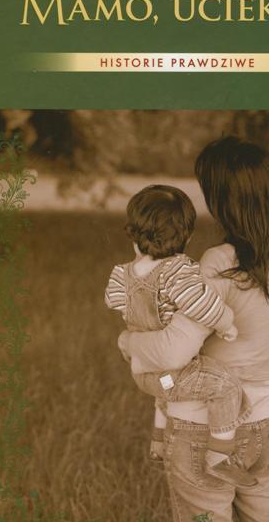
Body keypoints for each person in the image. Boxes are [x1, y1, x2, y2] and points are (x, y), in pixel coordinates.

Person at [118, 137, 269, 522]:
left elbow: (174, 350)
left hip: (201, 430)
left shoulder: (219, 263)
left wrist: (129, 343)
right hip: (265, 425)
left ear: (225, 200)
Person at [104, 184, 254, 486]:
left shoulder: (121, 274)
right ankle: (220, 455)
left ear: (133, 235)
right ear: (187, 237)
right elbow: (203, 305)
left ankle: (158, 441)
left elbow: (114, 301)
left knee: (166, 390)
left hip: (147, 376)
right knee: (226, 387)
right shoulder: (178, 271)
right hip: (173, 375)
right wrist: (227, 325)